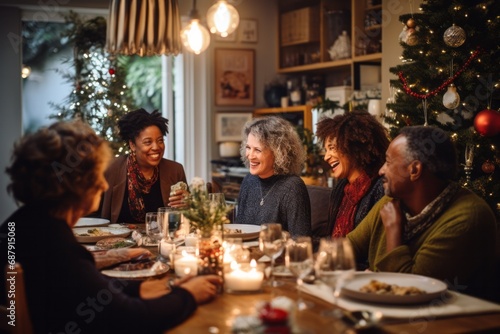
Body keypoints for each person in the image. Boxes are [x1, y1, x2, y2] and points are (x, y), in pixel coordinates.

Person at [0, 120, 222, 333]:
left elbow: (87, 289)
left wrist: (144, 288)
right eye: (97, 175)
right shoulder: (58, 246)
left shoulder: (19, 224)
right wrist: (188, 295)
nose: (104, 184)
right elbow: (130, 319)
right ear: (77, 184)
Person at [347, 125, 497, 299]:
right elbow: (348, 248)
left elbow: (411, 293)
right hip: (388, 313)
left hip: (450, 323)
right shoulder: (391, 202)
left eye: (388, 162)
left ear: (414, 170)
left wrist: (393, 232)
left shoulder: (467, 219)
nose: (381, 171)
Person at [100, 108, 188, 224]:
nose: (156, 147)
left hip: (163, 240)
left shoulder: (175, 170)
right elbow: (93, 214)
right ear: (132, 145)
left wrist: (188, 203)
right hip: (118, 240)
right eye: (148, 142)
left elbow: (188, 219)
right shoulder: (111, 169)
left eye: (160, 140)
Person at [314, 110, 389, 238]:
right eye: (326, 150)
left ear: (354, 146)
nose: (326, 157)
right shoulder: (341, 188)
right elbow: (332, 239)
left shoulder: (380, 188)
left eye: (332, 148)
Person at [236, 116, 311, 237]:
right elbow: (239, 231)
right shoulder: (248, 181)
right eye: (248, 148)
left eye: (258, 150)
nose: (250, 156)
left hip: (276, 254)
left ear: (278, 153)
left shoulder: (292, 187)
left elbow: (302, 241)